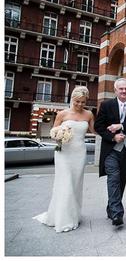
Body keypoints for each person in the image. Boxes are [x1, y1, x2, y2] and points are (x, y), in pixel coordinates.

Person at [33, 86, 96, 232]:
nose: (80, 105)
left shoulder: (89, 114)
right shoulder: (62, 114)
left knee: (75, 184)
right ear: (72, 99)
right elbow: (53, 132)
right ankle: (63, 219)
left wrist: (112, 131)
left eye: (83, 102)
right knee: (65, 183)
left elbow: (95, 131)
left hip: (79, 153)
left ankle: (73, 215)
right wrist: (59, 135)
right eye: (77, 102)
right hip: (64, 153)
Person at [94, 78, 126, 226]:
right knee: (113, 178)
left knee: (121, 181)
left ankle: (111, 208)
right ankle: (117, 214)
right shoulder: (107, 105)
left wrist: (120, 125)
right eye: (121, 89)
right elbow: (98, 127)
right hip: (111, 151)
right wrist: (113, 137)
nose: (124, 91)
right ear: (115, 90)